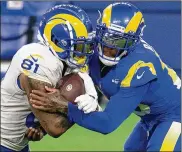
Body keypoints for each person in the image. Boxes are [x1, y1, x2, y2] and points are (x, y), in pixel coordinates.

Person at [29, 2, 181, 151]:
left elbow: (107, 123)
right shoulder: (89, 46)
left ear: (134, 41)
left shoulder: (140, 66)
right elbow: (72, 87)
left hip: (174, 115)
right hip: (149, 117)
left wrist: (63, 106)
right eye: (107, 36)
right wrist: (43, 124)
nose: (109, 47)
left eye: (119, 40)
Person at [1, 4, 98, 152]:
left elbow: (53, 115)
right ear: (58, 41)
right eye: (79, 47)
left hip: (17, 145)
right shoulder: (39, 61)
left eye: (87, 46)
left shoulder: (65, 62)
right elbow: (55, 127)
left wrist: (43, 127)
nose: (84, 53)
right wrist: (79, 108)